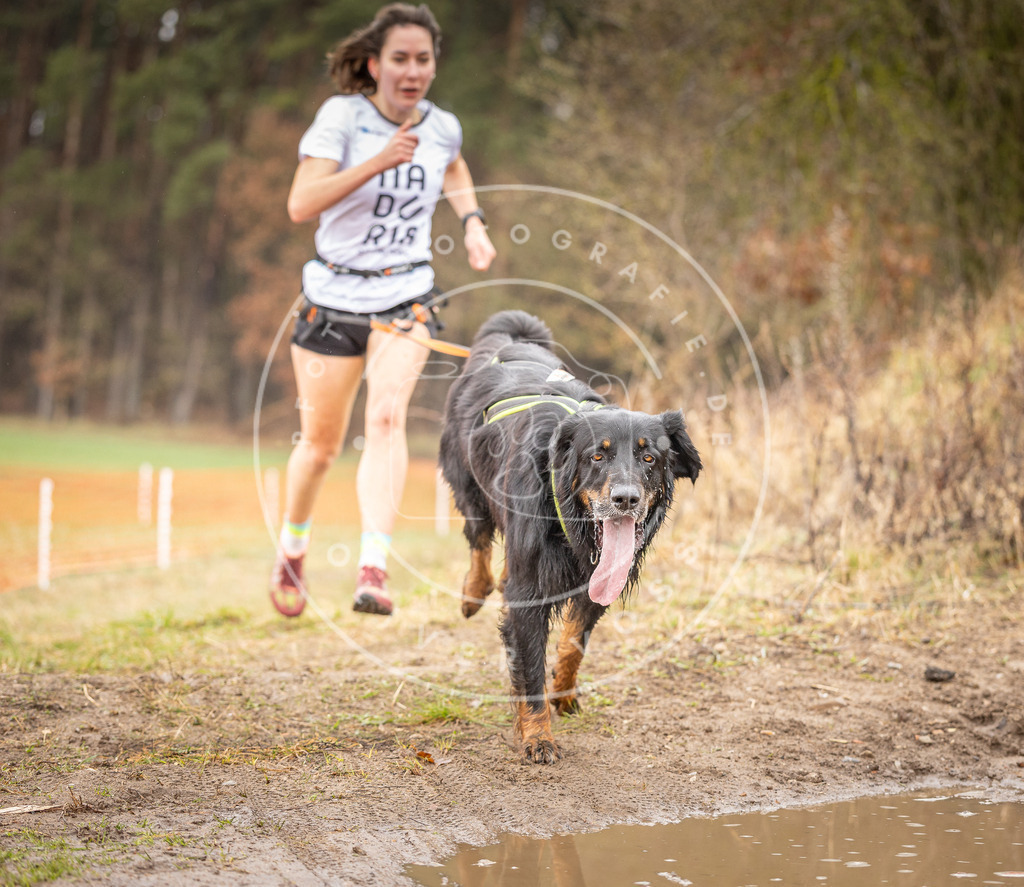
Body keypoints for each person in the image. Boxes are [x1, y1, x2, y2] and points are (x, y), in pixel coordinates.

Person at [270, 3, 496, 618]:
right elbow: (300, 204)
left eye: (424, 59)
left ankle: (374, 567)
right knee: (320, 446)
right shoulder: (342, 117)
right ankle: (293, 546)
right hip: (334, 300)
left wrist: (472, 221)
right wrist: (377, 161)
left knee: (389, 417)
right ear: (374, 65)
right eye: (400, 59)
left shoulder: (442, 126)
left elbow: (453, 164)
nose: (412, 71)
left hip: (405, 295)